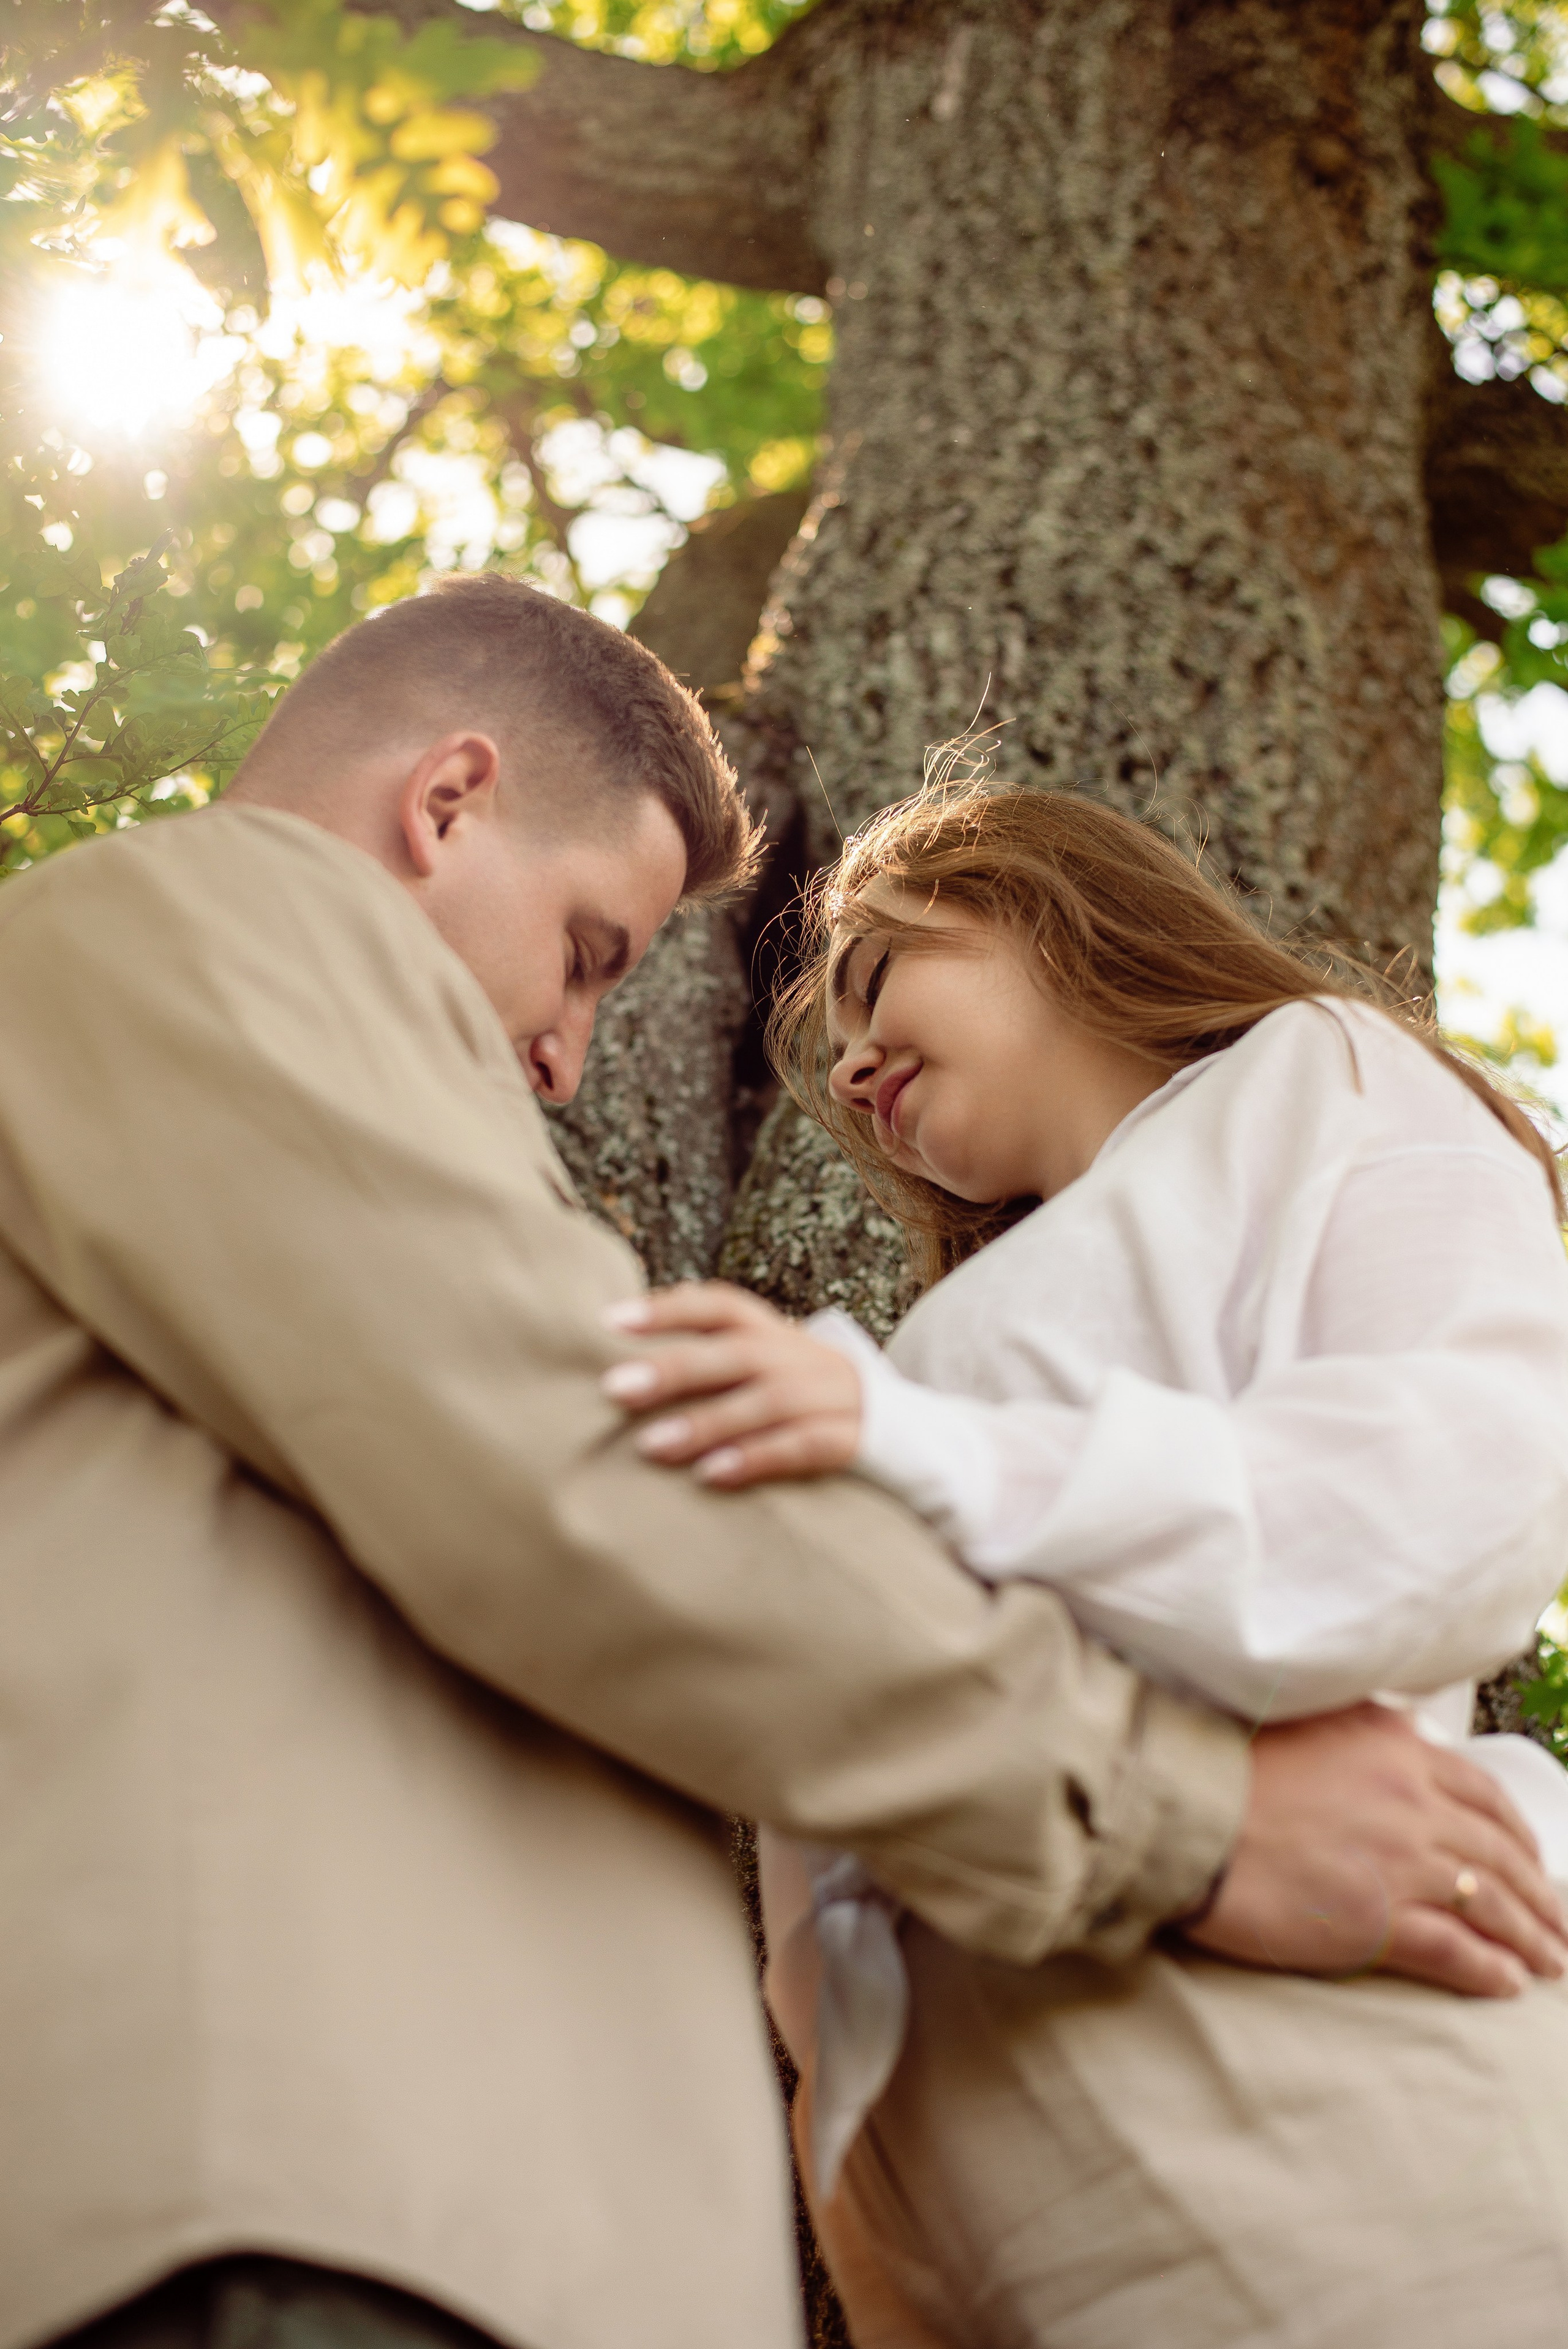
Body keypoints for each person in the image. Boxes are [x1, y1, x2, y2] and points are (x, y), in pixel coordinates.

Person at [0, 592, 1556, 2349]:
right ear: (444, 805)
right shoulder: (216, 916)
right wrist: (1177, 1820)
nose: (568, 1060)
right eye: (592, 949)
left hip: (1310, 2159)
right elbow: (568, 1462)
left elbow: (1449, 1477)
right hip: (329, 2200)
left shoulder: (1311, 1099)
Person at [605, 778, 1568, 2347]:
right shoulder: (949, 1332)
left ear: (1029, 900)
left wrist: (916, 1444)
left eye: (874, 979)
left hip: (1294, 2085)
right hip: (975, 2197)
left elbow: (1447, 1490)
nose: (848, 1068)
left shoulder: (1318, 1075)